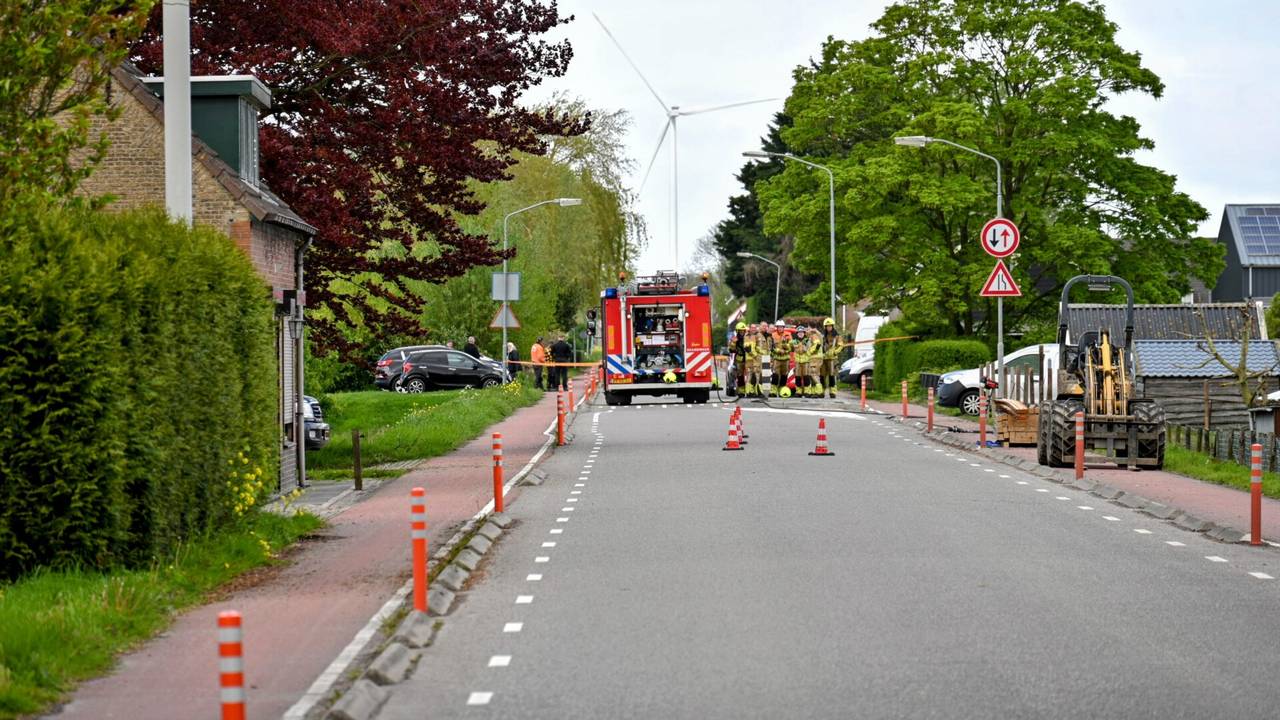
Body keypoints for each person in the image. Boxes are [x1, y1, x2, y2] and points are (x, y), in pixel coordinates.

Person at [819, 318, 840, 398]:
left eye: (830, 326)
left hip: (832, 359)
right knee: (822, 376)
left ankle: (832, 392)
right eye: (827, 326)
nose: (828, 328)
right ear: (825, 327)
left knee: (832, 375)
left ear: (832, 326)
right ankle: (822, 391)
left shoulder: (837, 336)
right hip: (824, 359)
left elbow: (841, 346)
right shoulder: (823, 336)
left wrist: (834, 352)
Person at [770, 321, 791, 397]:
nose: (780, 328)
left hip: (785, 359)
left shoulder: (788, 334)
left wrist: (785, 350)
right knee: (775, 375)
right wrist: (778, 351)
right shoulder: (773, 335)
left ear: (783, 327)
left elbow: (791, 346)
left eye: (781, 327)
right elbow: (771, 347)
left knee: (784, 375)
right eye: (778, 327)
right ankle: (773, 391)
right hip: (777, 359)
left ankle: (782, 390)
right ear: (777, 327)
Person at [793, 327, 812, 398]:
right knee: (797, 377)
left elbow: (810, 350)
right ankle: (798, 392)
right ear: (797, 334)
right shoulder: (794, 341)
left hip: (806, 361)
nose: (800, 334)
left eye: (802, 332)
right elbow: (792, 349)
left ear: (804, 333)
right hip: (797, 361)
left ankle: (807, 392)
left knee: (806, 377)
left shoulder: (807, 341)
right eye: (799, 332)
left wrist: (805, 349)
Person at [730, 322, 748, 394]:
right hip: (739, 360)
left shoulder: (747, 338)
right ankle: (741, 391)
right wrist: (734, 343)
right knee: (740, 376)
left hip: (748, 359)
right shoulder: (734, 339)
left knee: (750, 375)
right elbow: (731, 350)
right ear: (737, 331)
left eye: (743, 331)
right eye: (740, 331)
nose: (742, 332)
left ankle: (749, 390)